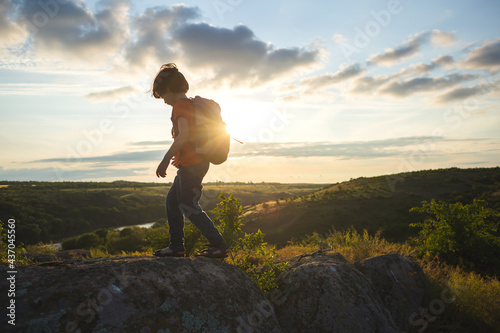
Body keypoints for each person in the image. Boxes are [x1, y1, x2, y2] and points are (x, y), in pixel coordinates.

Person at [150, 63, 229, 258]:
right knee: (172, 202)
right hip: (193, 163)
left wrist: (166, 159)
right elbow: (190, 137)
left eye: (162, 95)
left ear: (168, 90)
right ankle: (176, 246)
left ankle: (218, 245)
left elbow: (183, 135)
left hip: (193, 166)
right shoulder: (190, 104)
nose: (163, 101)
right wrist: (181, 157)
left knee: (188, 205)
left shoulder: (180, 106)